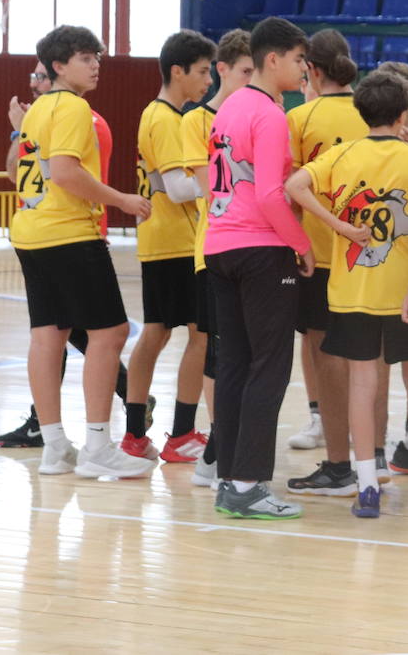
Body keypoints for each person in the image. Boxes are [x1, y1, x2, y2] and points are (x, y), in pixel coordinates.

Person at [285, 71, 408, 518]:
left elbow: (293, 186)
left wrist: (339, 226)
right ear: (403, 113)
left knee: (361, 383)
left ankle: (367, 486)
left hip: (352, 291)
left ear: (362, 112)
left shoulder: (341, 155)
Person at [10, 25, 153, 479]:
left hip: (32, 232)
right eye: (86, 57)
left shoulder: (37, 111)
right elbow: (67, 174)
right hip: (69, 232)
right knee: (109, 333)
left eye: (97, 57)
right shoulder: (73, 107)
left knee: (48, 336)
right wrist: (123, 201)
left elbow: (19, 170)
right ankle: (97, 446)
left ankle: (54, 447)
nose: (95, 65)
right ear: (58, 65)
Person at [204, 17, 313, 519]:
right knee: (269, 366)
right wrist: (301, 244)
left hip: (220, 245)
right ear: (273, 60)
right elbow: (271, 193)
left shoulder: (227, 109)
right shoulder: (270, 115)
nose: (302, 68)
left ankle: (229, 476)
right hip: (261, 249)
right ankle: (249, 483)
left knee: (234, 364)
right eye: (297, 59)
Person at [122, 31, 216, 464]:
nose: (209, 81)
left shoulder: (160, 116)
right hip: (176, 242)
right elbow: (178, 189)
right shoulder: (166, 119)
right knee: (201, 334)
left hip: (162, 240)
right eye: (201, 71)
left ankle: (135, 434)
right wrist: (220, 177)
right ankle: (180, 433)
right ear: (177, 71)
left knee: (157, 331)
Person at [284, 29, 369, 497]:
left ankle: (339, 465)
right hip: (370, 256)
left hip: (319, 256)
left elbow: (288, 192)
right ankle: (373, 461)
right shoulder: (372, 113)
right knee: (369, 362)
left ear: (311, 70)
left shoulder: (299, 117)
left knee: (328, 361)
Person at [180, 30, 254, 487]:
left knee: (245, 352)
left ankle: (226, 444)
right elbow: (212, 190)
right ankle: (218, 444)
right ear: (224, 70)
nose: (252, 79)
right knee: (220, 352)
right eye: (246, 71)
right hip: (216, 248)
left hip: (255, 248)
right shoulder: (196, 121)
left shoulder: (262, 114)